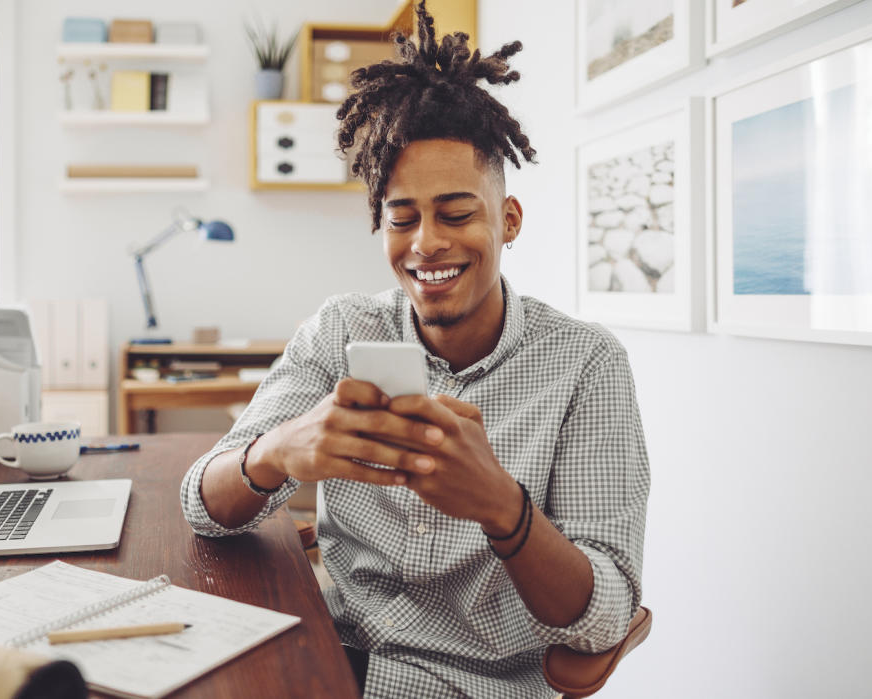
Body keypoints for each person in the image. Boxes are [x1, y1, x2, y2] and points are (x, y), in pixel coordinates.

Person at [180, 3, 650, 697]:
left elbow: (606, 611)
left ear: (508, 219)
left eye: (457, 214)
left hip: (476, 685)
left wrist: (503, 509)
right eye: (402, 218)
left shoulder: (586, 365)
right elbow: (199, 501)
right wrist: (277, 449)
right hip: (328, 663)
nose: (427, 242)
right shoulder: (340, 331)